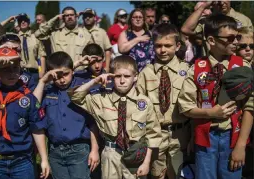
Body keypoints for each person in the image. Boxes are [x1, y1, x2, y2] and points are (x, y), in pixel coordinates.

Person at [178, 14, 253, 179]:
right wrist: (210, 114)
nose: (236, 42)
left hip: (233, 137)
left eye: (237, 37)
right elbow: (186, 106)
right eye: (230, 38)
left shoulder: (242, 68)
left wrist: (241, 145)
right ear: (211, 40)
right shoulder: (196, 69)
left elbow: (250, 107)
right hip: (205, 139)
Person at [68, 55, 162, 179]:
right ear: (111, 76)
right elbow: (75, 96)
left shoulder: (144, 103)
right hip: (111, 152)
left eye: (127, 76)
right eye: (118, 76)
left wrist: (146, 163)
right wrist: (95, 81)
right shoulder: (101, 99)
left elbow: (152, 135)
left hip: (135, 153)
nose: (122, 81)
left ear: (136, 77)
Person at [33, 51, 100, 179]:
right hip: (55, 151)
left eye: (66, 74)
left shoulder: (81, 88)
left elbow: (93, 122)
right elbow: (32, 106)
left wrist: (95, 150)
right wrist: (42, 81)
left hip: (79, 150)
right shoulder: (47, 91)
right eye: (57, 76)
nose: (62, 79)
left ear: (73, 70)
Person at [0, 47, 50, 179]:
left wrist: (44, 159)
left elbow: (37, 128)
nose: (11, 73)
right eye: (4, 69)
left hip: (22, 161)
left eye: (15, 68)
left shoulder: (28, 97)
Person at [137, 24, 190, 179]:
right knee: (157, 175)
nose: (163, 50)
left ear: (178, 45)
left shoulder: (186, 70)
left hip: (181, 135)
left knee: (178, 174)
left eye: (168, 45)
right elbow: (139, 107)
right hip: (155, 135)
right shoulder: (146, 73)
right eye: (158, 46)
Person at [73, 43, 112, 179]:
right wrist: (77, 64)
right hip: (84, 131)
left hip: (106, 131)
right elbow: (59, 76)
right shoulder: (78, 76)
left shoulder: (110, 78)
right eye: (93, 62)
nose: (97, 66)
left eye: (99, 61)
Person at [17, 13, 47, 80]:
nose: (23, 22)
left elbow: (41, 56)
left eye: (25, 20)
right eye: (20, 20)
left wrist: (41, 73)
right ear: (18, 23)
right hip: (19, 73)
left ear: (29, 22)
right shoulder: (14, 38)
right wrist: (9, 19)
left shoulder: (36, 37)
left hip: (34, 73)